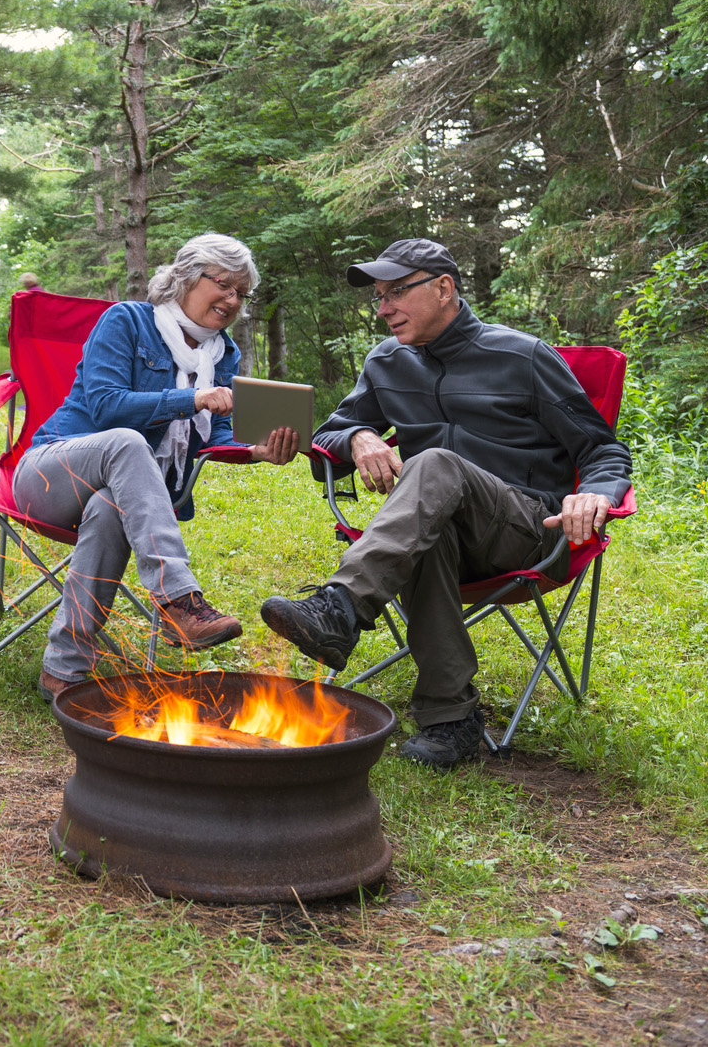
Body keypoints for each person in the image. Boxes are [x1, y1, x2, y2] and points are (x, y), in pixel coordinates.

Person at [252, 239, 631, 768]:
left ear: (444, 288)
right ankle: (450, 719)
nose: (383, 309)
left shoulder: (521, 356)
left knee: (431, 463)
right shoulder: (386, 362)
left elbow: (602, 448)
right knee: (430, 525)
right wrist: (359, 436)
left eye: (395, 293)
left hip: (529, 532)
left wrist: (595, 494)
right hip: (431, 531)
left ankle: (341, 608)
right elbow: (328, 439)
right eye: (378, 297)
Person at [15, 234, 296, 704]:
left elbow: (218, 437)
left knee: (109, 509)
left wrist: (257, 451)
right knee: (125, 441)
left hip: (120, 496)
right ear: (187, 277)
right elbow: (105, 407)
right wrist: (191, 398)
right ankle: (177, 600)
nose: (232, 300)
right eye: (223, 284)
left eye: (241, 293)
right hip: (51, 472)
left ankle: (62, 670)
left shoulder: (223, 355)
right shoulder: (126, 321)